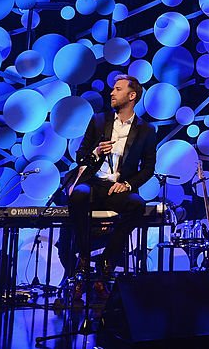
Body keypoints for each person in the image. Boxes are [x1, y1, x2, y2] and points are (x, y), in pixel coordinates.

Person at [64, 75, 157, 277]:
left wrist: (128, 185)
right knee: (78, 194)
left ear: (132, 96)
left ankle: (107, 260)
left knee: (137, 205)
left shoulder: (147, 130)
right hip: (93, 183)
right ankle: (84, 256)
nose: (111, 93)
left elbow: (148, 168)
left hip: (117, 188)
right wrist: (96, 152)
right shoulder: (99, 121)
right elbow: (81, 157)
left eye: (117, 89)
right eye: (113, 89)